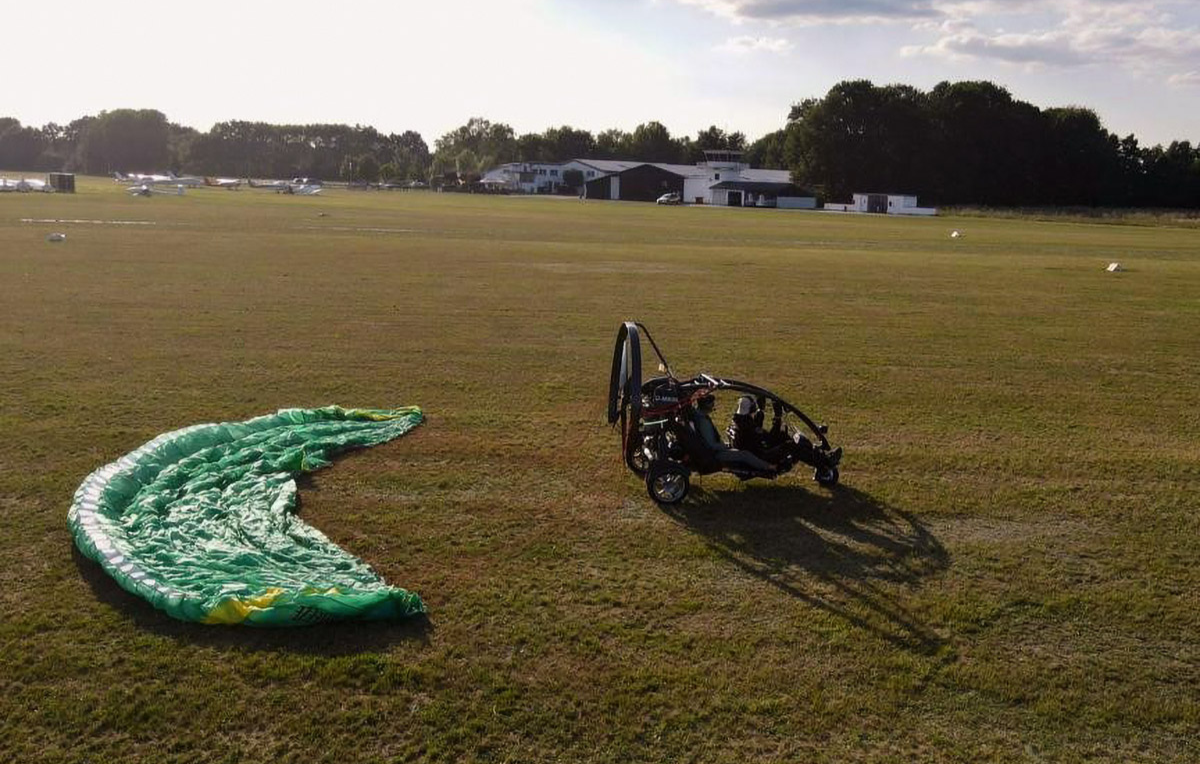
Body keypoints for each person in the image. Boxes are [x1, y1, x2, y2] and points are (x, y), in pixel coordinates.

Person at [691, 394, 776, 475]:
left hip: (712, 449)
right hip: (714, 453)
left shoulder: (698, 416)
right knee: (745, 455)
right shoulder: (703, 422)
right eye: (711, 403)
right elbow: (711, 445)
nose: (713, 405)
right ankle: (769, 467)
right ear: (706, 405)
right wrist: (725, 446)